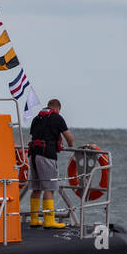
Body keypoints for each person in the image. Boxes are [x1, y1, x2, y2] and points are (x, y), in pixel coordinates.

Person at [27, 98, 74, 229]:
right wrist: (70, 145)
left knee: (36, 187)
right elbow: (69, 137)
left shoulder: (37, 118)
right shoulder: (57, 118)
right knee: (49, 188)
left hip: (33, 155)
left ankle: (34, 219)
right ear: (57, 109)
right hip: (46, 155)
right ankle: (49, 220)